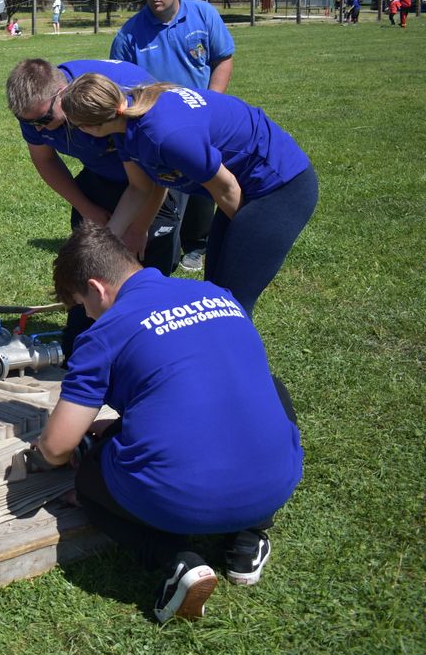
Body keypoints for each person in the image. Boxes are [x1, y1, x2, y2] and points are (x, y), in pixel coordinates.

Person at [31, 222, 302, 622]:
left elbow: (56, 447)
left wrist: (53, 459)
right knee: (270, 387)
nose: (86, 316)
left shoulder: (104, 332)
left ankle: (177, 560)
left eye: (81, 305)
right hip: (277, 482)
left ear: (97, 288)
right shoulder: (218, 295)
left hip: (178, 499)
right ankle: (248, 538)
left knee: (88, 478)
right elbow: (196, 390)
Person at [60, 73, 318, 317]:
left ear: (92, 126)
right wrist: (106, 244)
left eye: (78, 127)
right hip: (244, 189)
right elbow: (139, 188)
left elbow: (227, 188)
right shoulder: (127, 123)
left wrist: (247, 240)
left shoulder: (165, 135)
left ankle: (233, 359)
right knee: (217, 289)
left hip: (279, 185)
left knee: (231, 299)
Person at [7, 58, 185, 355]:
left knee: (145, 265)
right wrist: (88, 209)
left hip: (156, 178)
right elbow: (44, 160)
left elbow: (156, 176)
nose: (37, 128)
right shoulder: (34, 109)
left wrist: (139, 227)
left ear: (63, 93)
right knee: (88, 261)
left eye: (43, 120)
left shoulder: (115, 94)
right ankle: (85, 344)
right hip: (102, 175)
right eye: (29, 123)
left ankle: (149, 348)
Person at [110, 0, 236, 274]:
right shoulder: (129, 34)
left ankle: (198, 245)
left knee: (205, 181)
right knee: (165, 186)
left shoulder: (203, 15)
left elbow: (223, 58)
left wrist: (212, 104)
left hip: (201, 115)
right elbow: (119, 86)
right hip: (155, 126)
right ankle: (170, 241)